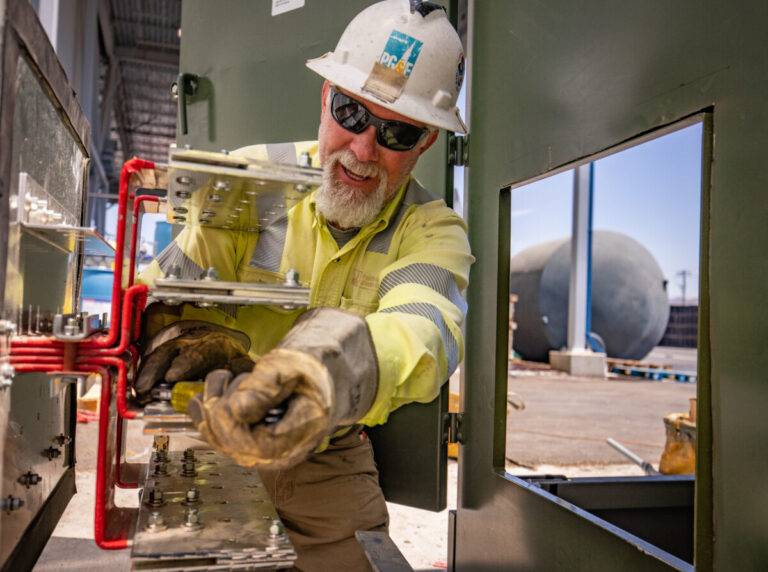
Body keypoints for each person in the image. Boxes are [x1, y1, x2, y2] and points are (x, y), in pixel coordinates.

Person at [136, 1, 473, 569]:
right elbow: (162, 294)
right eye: (352, 112)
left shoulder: (432, 230)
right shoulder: (248, 183)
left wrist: (322, 373)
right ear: (325, 100)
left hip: (329, 452)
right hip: (211, 435)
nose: (364, 150)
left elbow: (423, 332)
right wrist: (184, 334)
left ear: (426, 143)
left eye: (397, 131)